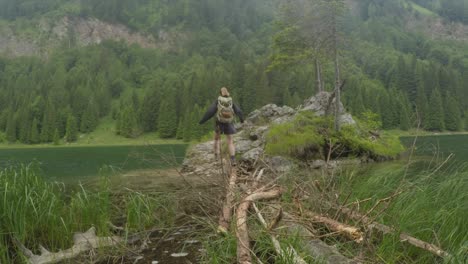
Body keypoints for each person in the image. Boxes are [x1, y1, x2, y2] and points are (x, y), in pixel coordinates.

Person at [199, 87, 244, 165]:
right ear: (228, 92)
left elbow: (210, 111)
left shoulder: (218, 101)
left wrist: (202, 121)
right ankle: (233, 159)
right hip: (228, 122)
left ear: (220, 93)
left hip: (219, 122)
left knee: (216, 139)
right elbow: (238, 111)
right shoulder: (231, 101)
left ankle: (216, 156)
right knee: (230, 141)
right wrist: (242, 120)